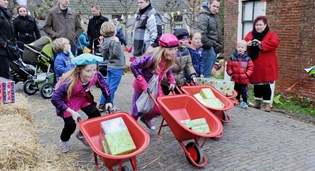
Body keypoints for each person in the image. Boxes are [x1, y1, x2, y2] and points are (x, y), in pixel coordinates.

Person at [51, 54, 112, 153]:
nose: (92, 74)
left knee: (95, 114)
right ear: (79, 70)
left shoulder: (96, 75)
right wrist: (72, 112)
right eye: (88, 71)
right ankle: (63, 141)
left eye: (94, 69)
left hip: (82, 97)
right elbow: (55, 99)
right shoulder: (69, 82)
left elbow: (104, 86)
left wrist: (108, 101)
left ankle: (82, 134)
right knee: (70, 125)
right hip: (67, 102)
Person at [130, 33, 178, 130]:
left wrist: (171, 80)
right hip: (142, 86)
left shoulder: (169, 57)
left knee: (161, 107)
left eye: (175, 49)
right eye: (170, 49)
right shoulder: (152, 58)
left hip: (156, 85)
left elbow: (168, 68)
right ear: (162, 49)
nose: (173, 52)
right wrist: (143, 83)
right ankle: (130, 127)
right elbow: (133, 65)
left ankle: (146, 118)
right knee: (137, 110)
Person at [244, 15, 280, 112]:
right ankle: (257, 102)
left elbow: (275, 43)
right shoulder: (251, 34)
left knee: (265, 85)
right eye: (256, 25)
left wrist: (261, 44)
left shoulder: (271, 34)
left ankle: (267, 104)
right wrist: (248, 44)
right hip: (254, 64)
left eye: (260, 25)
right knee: (256, 84)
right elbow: (243, 43)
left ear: (265, 25)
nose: (258, 27)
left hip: (266, 65)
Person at [98, 22, 126, 111]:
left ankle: (102, 104)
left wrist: (101, 45)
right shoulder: (114, 40)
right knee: (112, 88)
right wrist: (118, 43)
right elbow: (116, 54)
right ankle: (110, 105)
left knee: (106, 87)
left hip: (110, 66)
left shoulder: (105, 41)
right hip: (117, 68)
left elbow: (104, 56)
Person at [161, 28, 197, 95]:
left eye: (187, 39)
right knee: (164, 97)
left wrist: (192, 75)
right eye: (183, 40)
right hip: (167, 81)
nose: (185, 42)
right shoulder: (171, 51)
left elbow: (189, 65)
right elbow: (166, 67)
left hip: (180, 80)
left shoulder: (186, 51)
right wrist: (169, 79)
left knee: (180, 97)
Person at [196, 0, 223, 78]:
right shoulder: (203, 16)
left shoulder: (215, 17)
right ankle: (204, 89)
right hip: (207, 49)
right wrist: (210, 46)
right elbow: (201, 34)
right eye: (214, 6)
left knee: (208, 74)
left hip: (214, 48)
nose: (215, 8)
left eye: (217, 7)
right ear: (209, 5)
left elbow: (217, 33)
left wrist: (218, 45)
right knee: (205, 75)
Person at [226, 40, 254, 109]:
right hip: (235, 78)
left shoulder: (248, 58)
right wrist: (231, 73)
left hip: (244, 79)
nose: (240, 49)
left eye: (242, 47)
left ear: (245, 49)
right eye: (239, 47)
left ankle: (244, 101)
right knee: (235, 91)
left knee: (244, 92)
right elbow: (228, 67)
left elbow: (251, 68)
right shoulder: (232, 57)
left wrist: (246, 75)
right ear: (236, 48)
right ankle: (236, 100)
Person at [0, 0, 13, 79]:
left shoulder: (5, 13)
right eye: (4, 0)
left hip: (6, 48)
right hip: (2, 49)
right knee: (3, 75)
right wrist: (2, 43)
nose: (7, 2)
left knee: (5, 74)